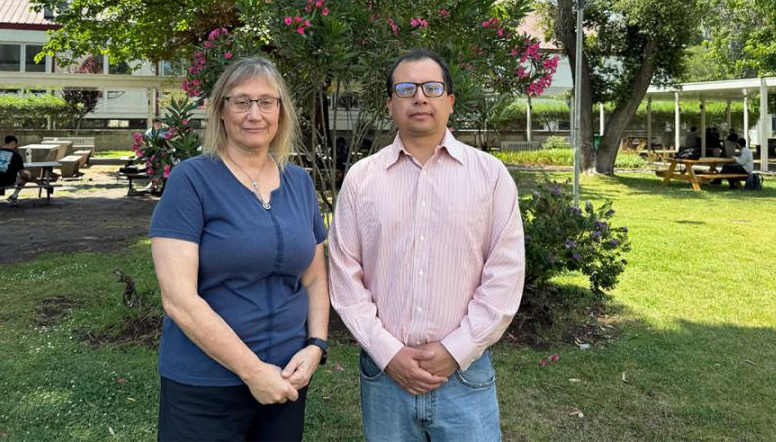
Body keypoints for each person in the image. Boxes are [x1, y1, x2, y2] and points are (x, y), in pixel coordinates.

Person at [328, 49, 525, 441]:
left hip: (465, 375)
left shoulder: (490, 177)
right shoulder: (361, 179)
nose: (420, 97)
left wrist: (456, 350)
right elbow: (344, 276)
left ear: (450, 101)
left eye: (432, 88)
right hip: (386, 378)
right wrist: (388, 353)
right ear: (389, 104)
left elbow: (505, 274)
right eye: (406, 88)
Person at [149, 56, 329, 442]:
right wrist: (252, 371)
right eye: (241, 101)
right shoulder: (191, 180)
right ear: (221, 112)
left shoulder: (299, 182)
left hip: (286, 380)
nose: (255, 114)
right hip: (206, 385)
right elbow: (178, 299)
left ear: (281, 111)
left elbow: (314, 278)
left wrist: (316, 346)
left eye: (267, 101)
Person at [0, 135, 41, 207]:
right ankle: (14, 196)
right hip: (9, 182)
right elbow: (22, 174)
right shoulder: (16, 156)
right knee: (26, 174)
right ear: (13, 143)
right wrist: (28, 178)